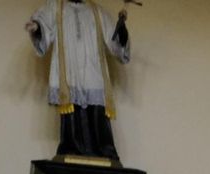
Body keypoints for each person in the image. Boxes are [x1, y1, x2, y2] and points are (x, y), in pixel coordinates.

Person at [26, 0, 131, 161]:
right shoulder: (56, 7)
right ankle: (72, 150)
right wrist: (37, 28)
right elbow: (43, 22)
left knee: (97, 112)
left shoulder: (98, 12)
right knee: (72, 113)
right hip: (70, 72)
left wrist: (122, 34)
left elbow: (115, 41)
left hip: (93, 72)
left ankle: (104, 152)